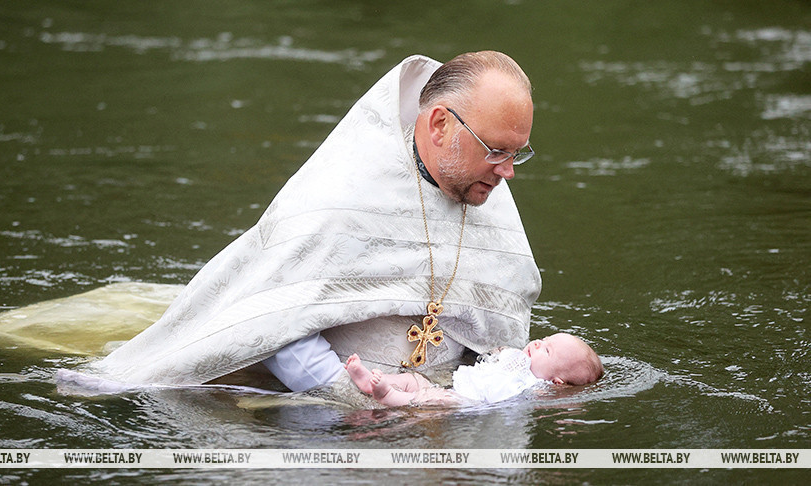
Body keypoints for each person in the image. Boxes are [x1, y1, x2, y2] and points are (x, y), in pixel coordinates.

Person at [83, 51, 542, 393]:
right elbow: (273, 323)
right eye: (496, 150)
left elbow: (499, 343)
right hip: (319, 410)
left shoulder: (488, 198)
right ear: (440, 124)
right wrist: (350, 395)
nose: (509, 171)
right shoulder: (342, 194)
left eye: (517, 152)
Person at [345, 333, 603, 407]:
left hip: (463, 402)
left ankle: (387, 394)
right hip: (458, 385)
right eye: (544, 339)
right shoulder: (518, 355)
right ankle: (370, 379)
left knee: (427, 399)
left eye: (547, 351)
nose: (538, 343)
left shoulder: (538, 387)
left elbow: (562, 403)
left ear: (557, 381)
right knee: (415, 379)